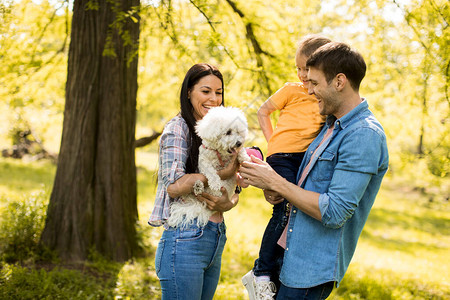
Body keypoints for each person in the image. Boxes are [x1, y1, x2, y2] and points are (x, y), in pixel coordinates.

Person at [239, 42, 389, 299]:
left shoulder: (363, 135)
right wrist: (273, 188)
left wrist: (276, 182)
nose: (308, 90)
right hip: (287, 253)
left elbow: (335, 211)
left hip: (311, 268)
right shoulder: (329, 126)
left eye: (315, 83)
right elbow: (303, 185)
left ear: (339, 81)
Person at [242, 34, 331, 300]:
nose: (302, 75)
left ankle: (271, 271)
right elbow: (263, 111)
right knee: (284, 210)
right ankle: (261, 272)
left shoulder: (322, 98)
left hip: (302, 160)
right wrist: (273, 145)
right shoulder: (291, 90)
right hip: (282, 157)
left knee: (294, 212)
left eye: (307, 69)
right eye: (299, 68)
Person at [148, 63, 243, 300]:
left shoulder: (222, 132)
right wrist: (217, 175)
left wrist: (228, 203)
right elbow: (173, 186)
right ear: (189, 92)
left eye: (218, 92)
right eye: (206, 91)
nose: (214, 99)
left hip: (215, 235)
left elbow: (232, 184)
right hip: (186, 237)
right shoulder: (178, 129)